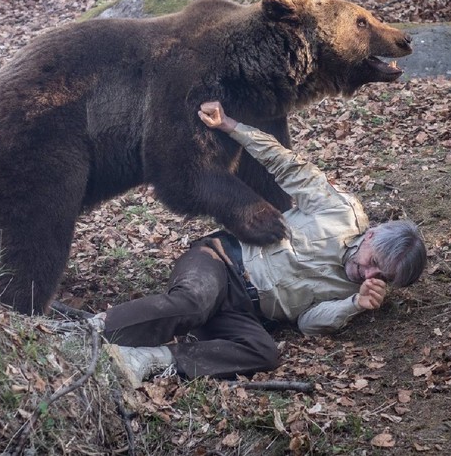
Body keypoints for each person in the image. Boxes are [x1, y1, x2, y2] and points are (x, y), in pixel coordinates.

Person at [93, 101, 427, 388]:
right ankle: (92, 332)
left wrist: (354, 303)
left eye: (381, 276)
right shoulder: (340, 212)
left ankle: (147, 359)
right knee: (194, 301)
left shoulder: (358, 291)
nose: (367, 272)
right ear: (371, 236)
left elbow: (308, 324)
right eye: (373, 260)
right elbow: (286, 164)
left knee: (264, 352)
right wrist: (229, 125)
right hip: (220, 262)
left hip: (245, 311)